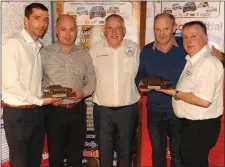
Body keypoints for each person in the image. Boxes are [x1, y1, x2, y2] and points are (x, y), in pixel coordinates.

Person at [135, 13, 224, 167]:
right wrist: (141, 84)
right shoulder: (147, 51)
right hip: (155, 111)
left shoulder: (186, 47)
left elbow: (209, 60)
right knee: (158, 153)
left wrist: (222, 57)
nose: (161, 33)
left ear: (174, 28)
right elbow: (140, 74)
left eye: (165, 28)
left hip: (180, 114)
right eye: (157, 29)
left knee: (179, 155)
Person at [2, 3, 58, 167]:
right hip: (18, 115)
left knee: (34, 161)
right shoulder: (13, 44)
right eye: (37, 18)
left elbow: (31, 83)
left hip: (37, 113)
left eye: (46, 20)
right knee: (20, 163)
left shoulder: (36, 46)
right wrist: (40, 100)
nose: (42, 24)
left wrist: (45, 95)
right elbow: (11, 84)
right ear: (26, 20)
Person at [41, 14, 96, 167]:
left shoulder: (84, 54)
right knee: (56, 157)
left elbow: (91, 80)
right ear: (57, 31)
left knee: (75, 157)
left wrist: (83, 92)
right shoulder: (44, 54)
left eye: (72, 29)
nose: (68, 34)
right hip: (54, 112)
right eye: (63, 29)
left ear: (76, 31)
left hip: (77, 111)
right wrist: (46, 96)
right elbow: (37, 82)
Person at [89, 14, 140, 167]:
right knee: (104, 155)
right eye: (110, 28)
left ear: (124, 30)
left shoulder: (134, 49)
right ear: (104, 31)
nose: (114, 32)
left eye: (118, 28)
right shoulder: (94, 51)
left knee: (125, 154)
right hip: (103, 112)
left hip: (128, 111)